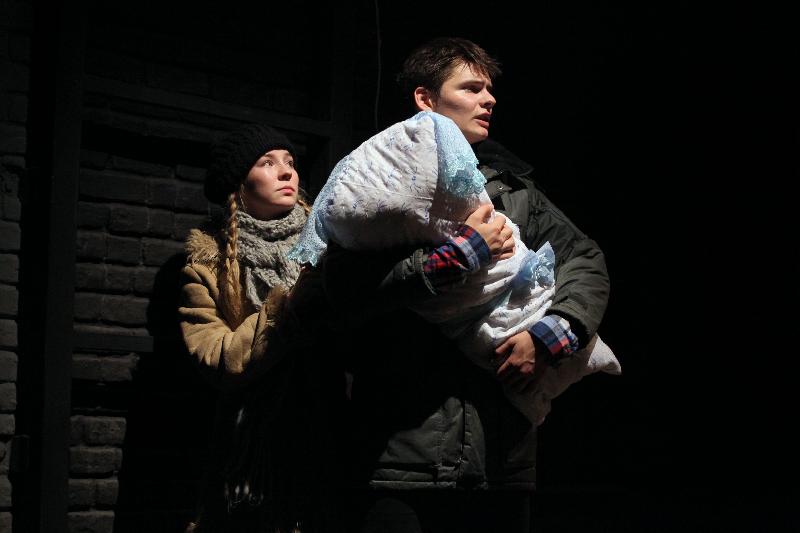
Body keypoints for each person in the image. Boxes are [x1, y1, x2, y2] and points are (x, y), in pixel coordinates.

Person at [315, 38, 611, 532]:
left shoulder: (515, 190)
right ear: (425, 99)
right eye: (471, 88)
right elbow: (343, 287)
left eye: (490, 89)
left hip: (500, 456)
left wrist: (551, 335)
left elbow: (585, 258)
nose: (488, 99)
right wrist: (459, 256)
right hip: (399, 452)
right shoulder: (378, 181)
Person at [178, 124, 340, 532]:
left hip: (331, 432)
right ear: (239, 185)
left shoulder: (332, 246)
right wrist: (284, 310)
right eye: (267, 163)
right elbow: (217, 357)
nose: (286, 172)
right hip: (251, 452)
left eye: (290, 162)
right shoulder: (208, 265)